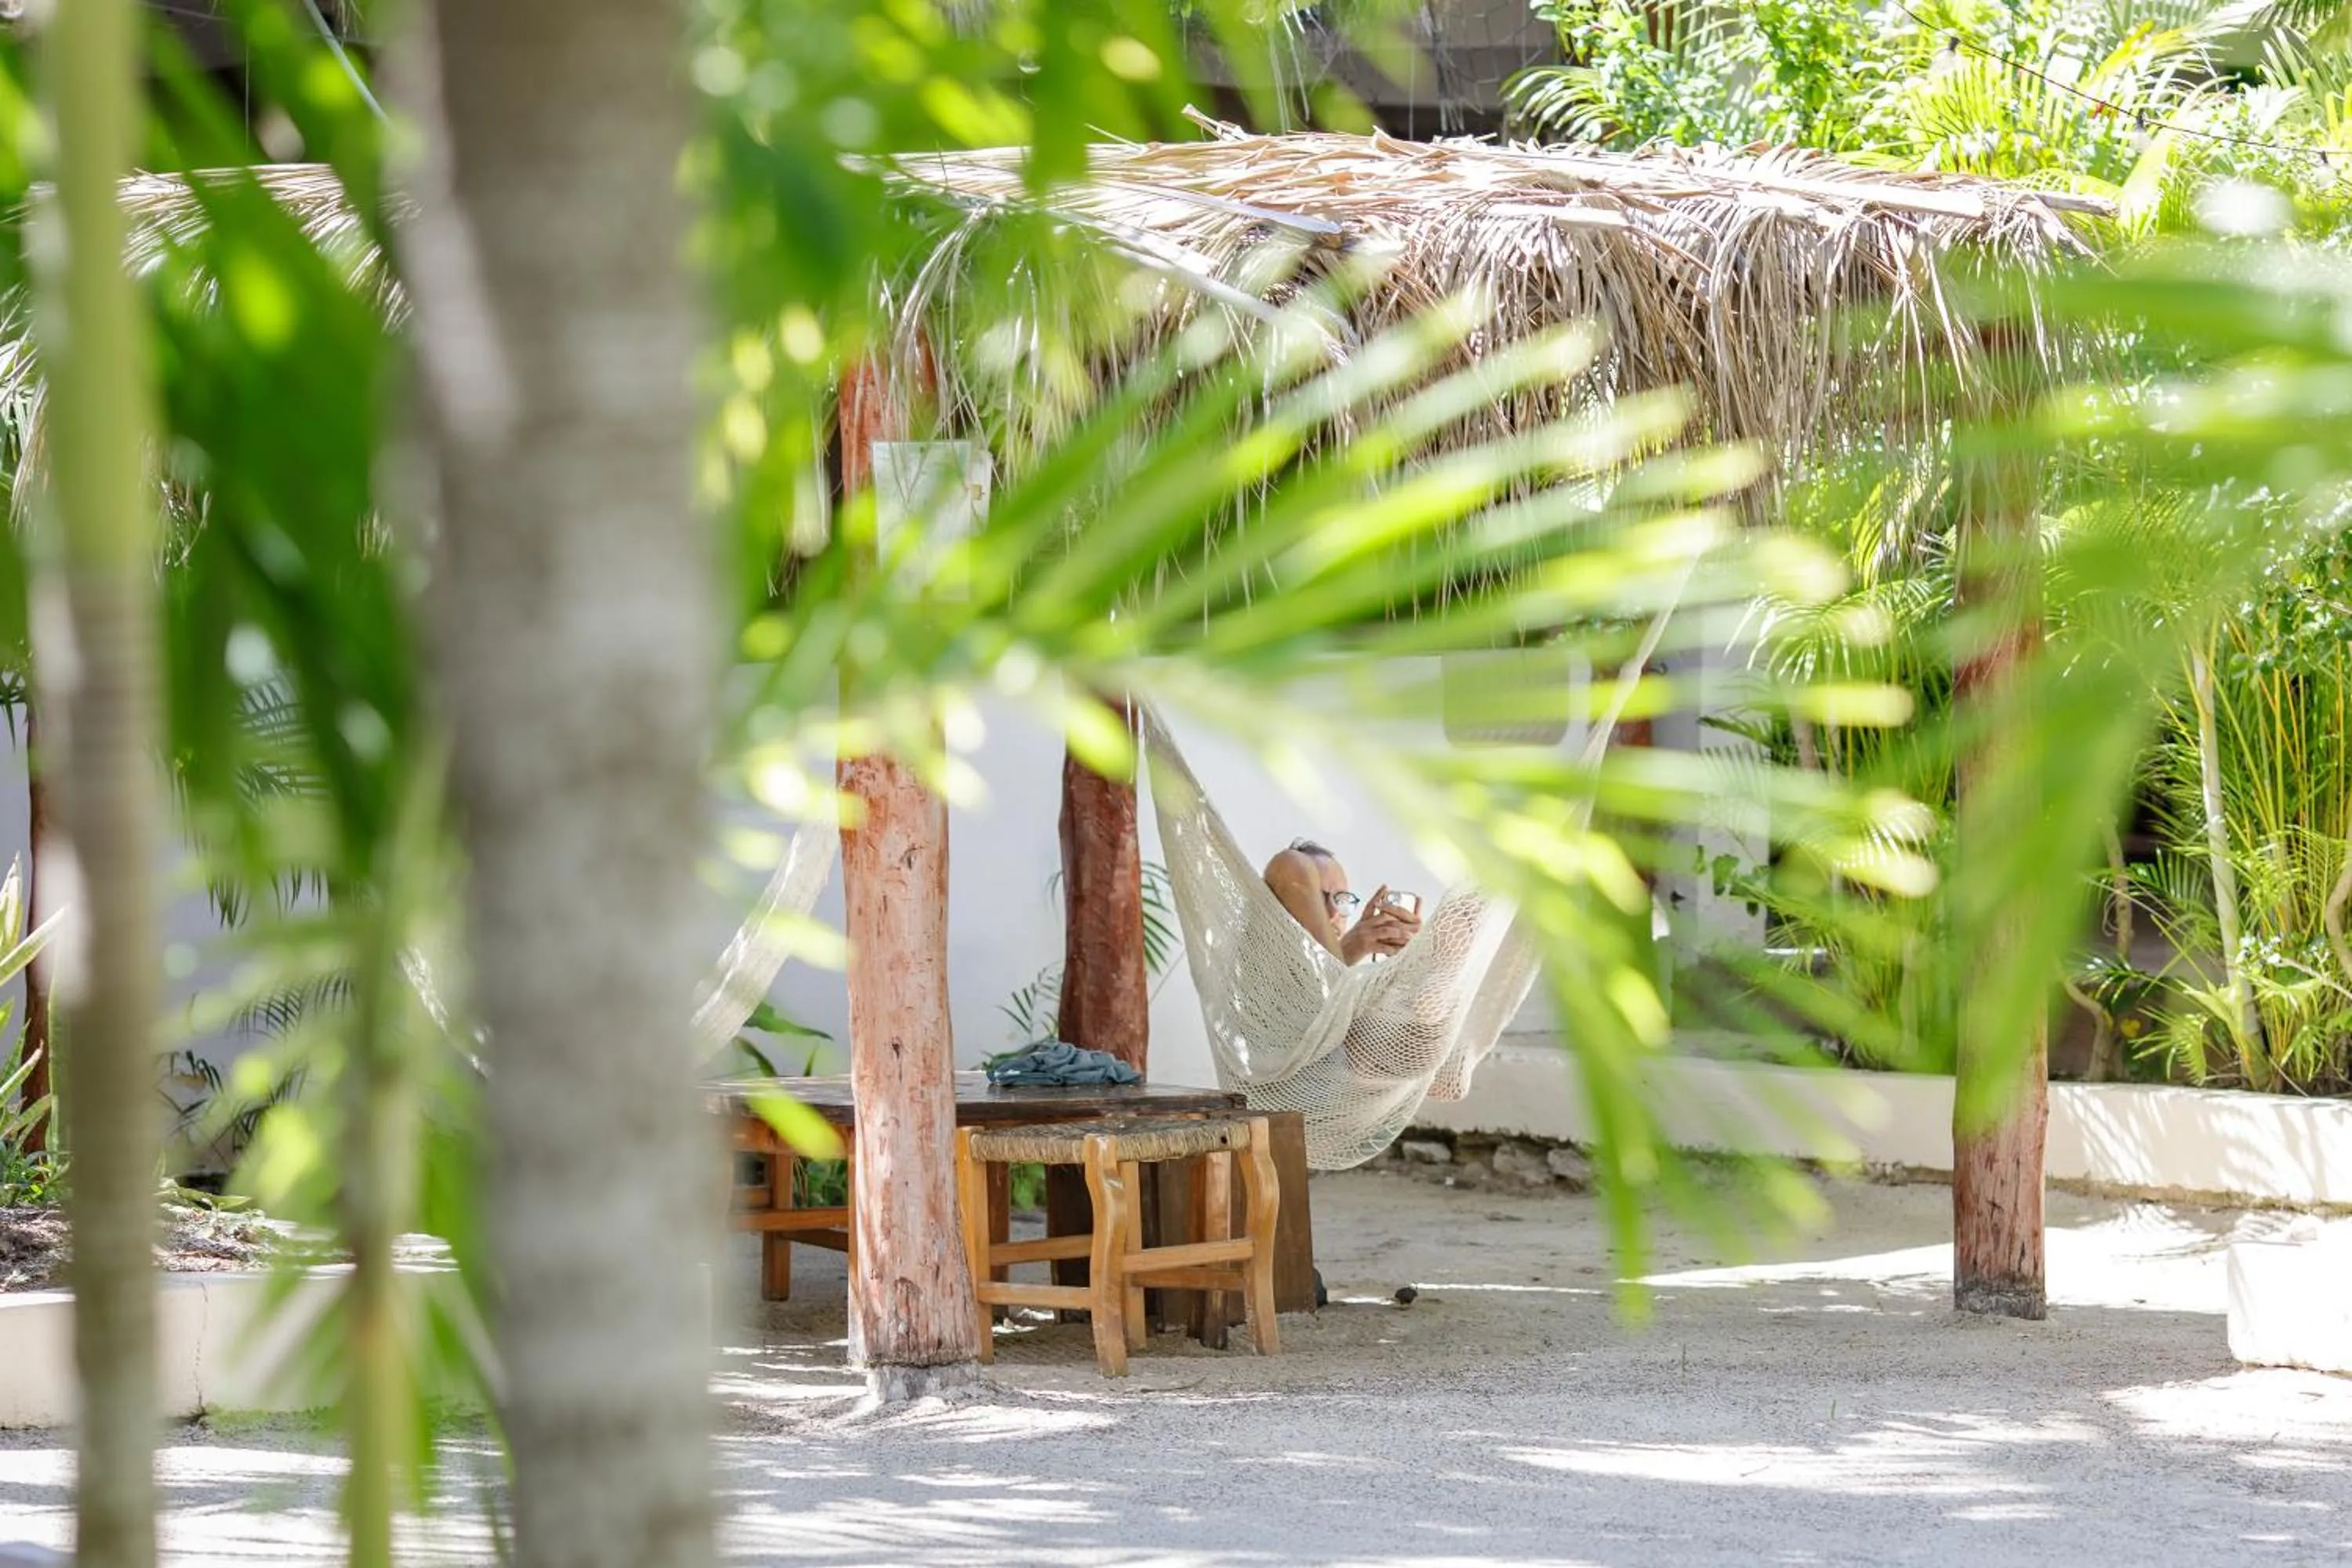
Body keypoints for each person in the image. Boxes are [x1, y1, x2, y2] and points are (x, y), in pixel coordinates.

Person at [1261, 837, 1422, 964]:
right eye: (1319, 897)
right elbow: (1291, 863)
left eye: (1342, 901)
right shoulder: (1288, 865)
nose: (1333, 914)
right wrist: (1347, 951)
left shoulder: (1337, 990)